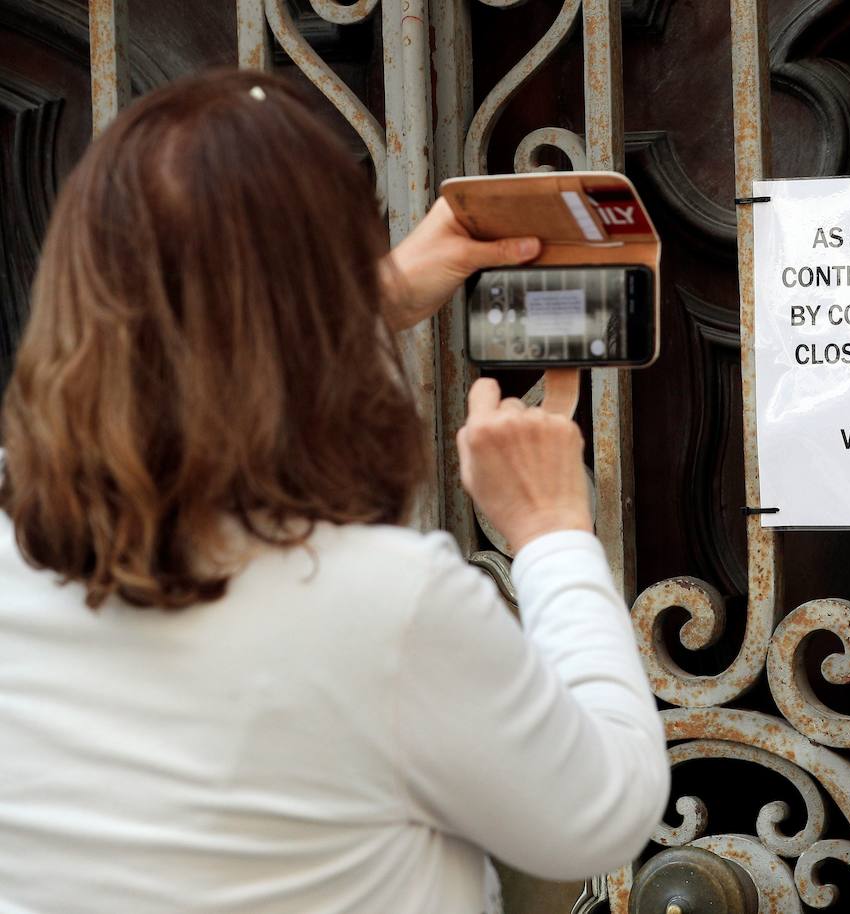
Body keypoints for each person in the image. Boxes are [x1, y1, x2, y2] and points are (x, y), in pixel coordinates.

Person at [0, 69, 669, 913]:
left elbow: (168, 347)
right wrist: (550, 531)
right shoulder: (384, 599)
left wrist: (367, 297)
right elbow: (598, 819)